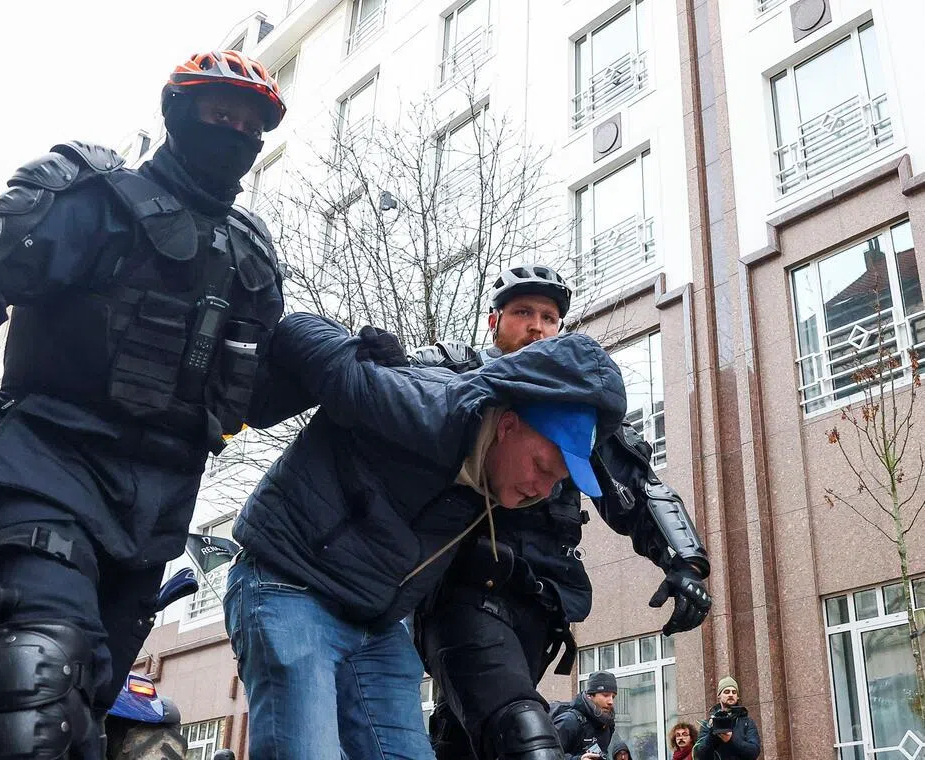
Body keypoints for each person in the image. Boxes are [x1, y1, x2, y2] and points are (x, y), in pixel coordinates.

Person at [0, 50, 289, 760]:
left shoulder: (250, 254)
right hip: (43, 477)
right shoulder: (95, 201)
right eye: (219, 113)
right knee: (29, 694)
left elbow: (251, 389)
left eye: (250, 126)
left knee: (83, 720)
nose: (235, 133)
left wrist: (345, 366)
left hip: (154, 523)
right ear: (177, 114)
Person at [223, 311, 629, 760]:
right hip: (289, 585)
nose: (543, 490)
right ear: (508, 426)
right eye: (541, 467)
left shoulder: (499, 484)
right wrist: (355, 352)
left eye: (558, 481)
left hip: (373, 623)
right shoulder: (426, 404)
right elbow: (298, 327)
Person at [409, 264, 713, 760]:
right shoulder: (456, 373)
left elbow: (638, 486)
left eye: (549, 318)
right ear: (494, 321)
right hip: (462, 589)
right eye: (523, 312)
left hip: (541, 601)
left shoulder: (577, 401)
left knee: (465, 740)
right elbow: (391, 404)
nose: (537, 327)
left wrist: (685, 562)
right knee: (523, 733)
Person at [552, 671, 617, 760]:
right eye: (605, 695)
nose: (611, 702)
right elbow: (548, 755)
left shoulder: (607, 725)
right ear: (590, 696)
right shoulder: (570, 721)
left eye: (613, 696)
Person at [693, 677, 760, 760]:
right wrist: (712, 734)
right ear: (719, 696)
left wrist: (731, 740)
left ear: (737, 697)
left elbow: (754, 752)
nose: (731, 695)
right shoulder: (708, 723)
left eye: (734, 692)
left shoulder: (747, 722)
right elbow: (699, 755)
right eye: (726, 692)